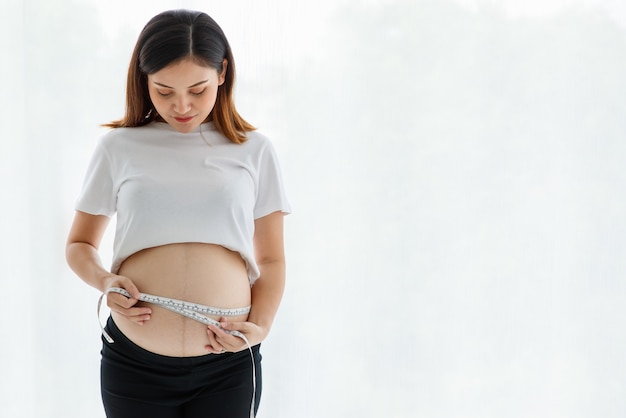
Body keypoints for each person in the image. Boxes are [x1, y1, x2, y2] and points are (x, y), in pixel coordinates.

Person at [65, 9, 290, 418]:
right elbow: (79, 244)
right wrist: (105, 281)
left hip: (229, 364)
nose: (181, 106)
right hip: (135, 364)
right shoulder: (118, 148)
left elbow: (272, 259)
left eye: (198, 90)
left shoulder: (254, 150)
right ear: (143, 79)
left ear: (223, 73)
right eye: (164, 91)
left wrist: (260, 328)